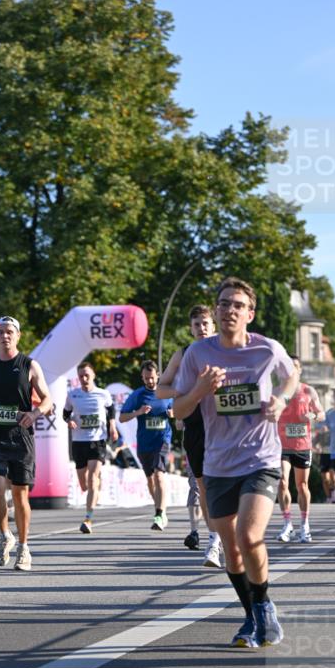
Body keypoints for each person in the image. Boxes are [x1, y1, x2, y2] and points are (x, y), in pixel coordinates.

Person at [173, 276, 298, 648]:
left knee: (249, 535)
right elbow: (178, 409)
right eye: (224, 304)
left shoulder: (266, 349)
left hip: (260, 458)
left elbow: (291, 377)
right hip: (218, 463)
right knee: (230, 548)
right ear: (216, 310)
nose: (230, 310)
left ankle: (261, 609)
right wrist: (199, 390)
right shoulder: (198, 354)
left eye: (238, 305)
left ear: (250, 314)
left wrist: (281, 400)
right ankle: (254, 613)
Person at [0, 315, 52, 571]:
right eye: (0, 332)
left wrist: (35, 413)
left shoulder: (29, 365)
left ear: (18, 335)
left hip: (21, 437)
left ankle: (24, 547)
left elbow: (47, 399)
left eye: (9, 332)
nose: (5, 336)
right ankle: (6, 535)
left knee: (20, 494)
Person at [156, 304, 223, 567]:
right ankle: (214, 539)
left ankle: (228, 534)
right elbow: (161, 390)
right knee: (204, 487)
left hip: (225, 427)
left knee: (230, 482)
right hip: (195, 426)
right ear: (191, 328)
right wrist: (188, 390)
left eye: (206, 323)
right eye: (197, 324)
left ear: (213, 325)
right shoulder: (182, 354)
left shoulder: (226, 350)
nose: (201, 328)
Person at [63, 361, 118, 534]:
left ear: (93, 375)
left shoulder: (103, 394)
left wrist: (112, 426)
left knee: (92, 478)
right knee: (84, 483)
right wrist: (69, 421)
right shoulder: (73, 395)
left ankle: (88, 518)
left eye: (87, 375)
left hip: (98, 440)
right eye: (81, 376)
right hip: (79, 441)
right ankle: (93, 490)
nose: (84, 379)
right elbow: (65, 414)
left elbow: (111, 410)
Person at [119, 360, 174, 531]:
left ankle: (160, 513)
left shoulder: (167, 392)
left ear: (158, 375)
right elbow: (122, 418)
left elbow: (179, 410)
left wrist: (173, 413)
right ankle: (159, 509)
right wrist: (138, 412)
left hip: (163, 439)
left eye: (152, 378)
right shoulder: (137, 395)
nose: (150, 381)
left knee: (159, 475)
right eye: (146, 378)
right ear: (142, 378)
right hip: (144, 443)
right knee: (150, 479)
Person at [276, 356, 324, 543]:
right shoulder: (277, 391)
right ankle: (287, 523)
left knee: (302, 486)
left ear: (300, 370)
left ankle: (304, 525)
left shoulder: (308, 391)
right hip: (281, 445)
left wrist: (310, 415)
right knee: (282, 481)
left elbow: (321, 414)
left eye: (295, 367)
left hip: (302, 445)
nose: (291, 371)